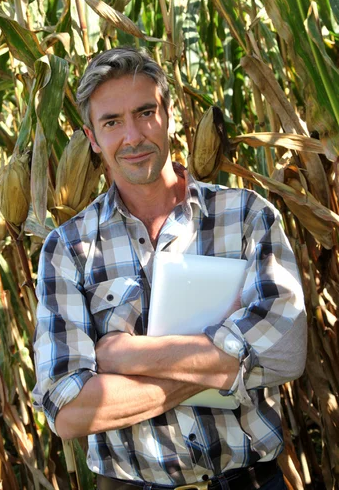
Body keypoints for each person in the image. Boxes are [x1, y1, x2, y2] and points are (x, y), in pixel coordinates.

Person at [33, 47, 307, 490]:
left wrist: (125, 356)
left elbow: (287, 350)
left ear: (168, 115)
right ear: (91, 136)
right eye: (112, 122)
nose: (134, 136)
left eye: (145, 113)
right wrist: (220, 365)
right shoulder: (69, 249)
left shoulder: (247, 217)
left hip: (250, 480)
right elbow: (68, 410)